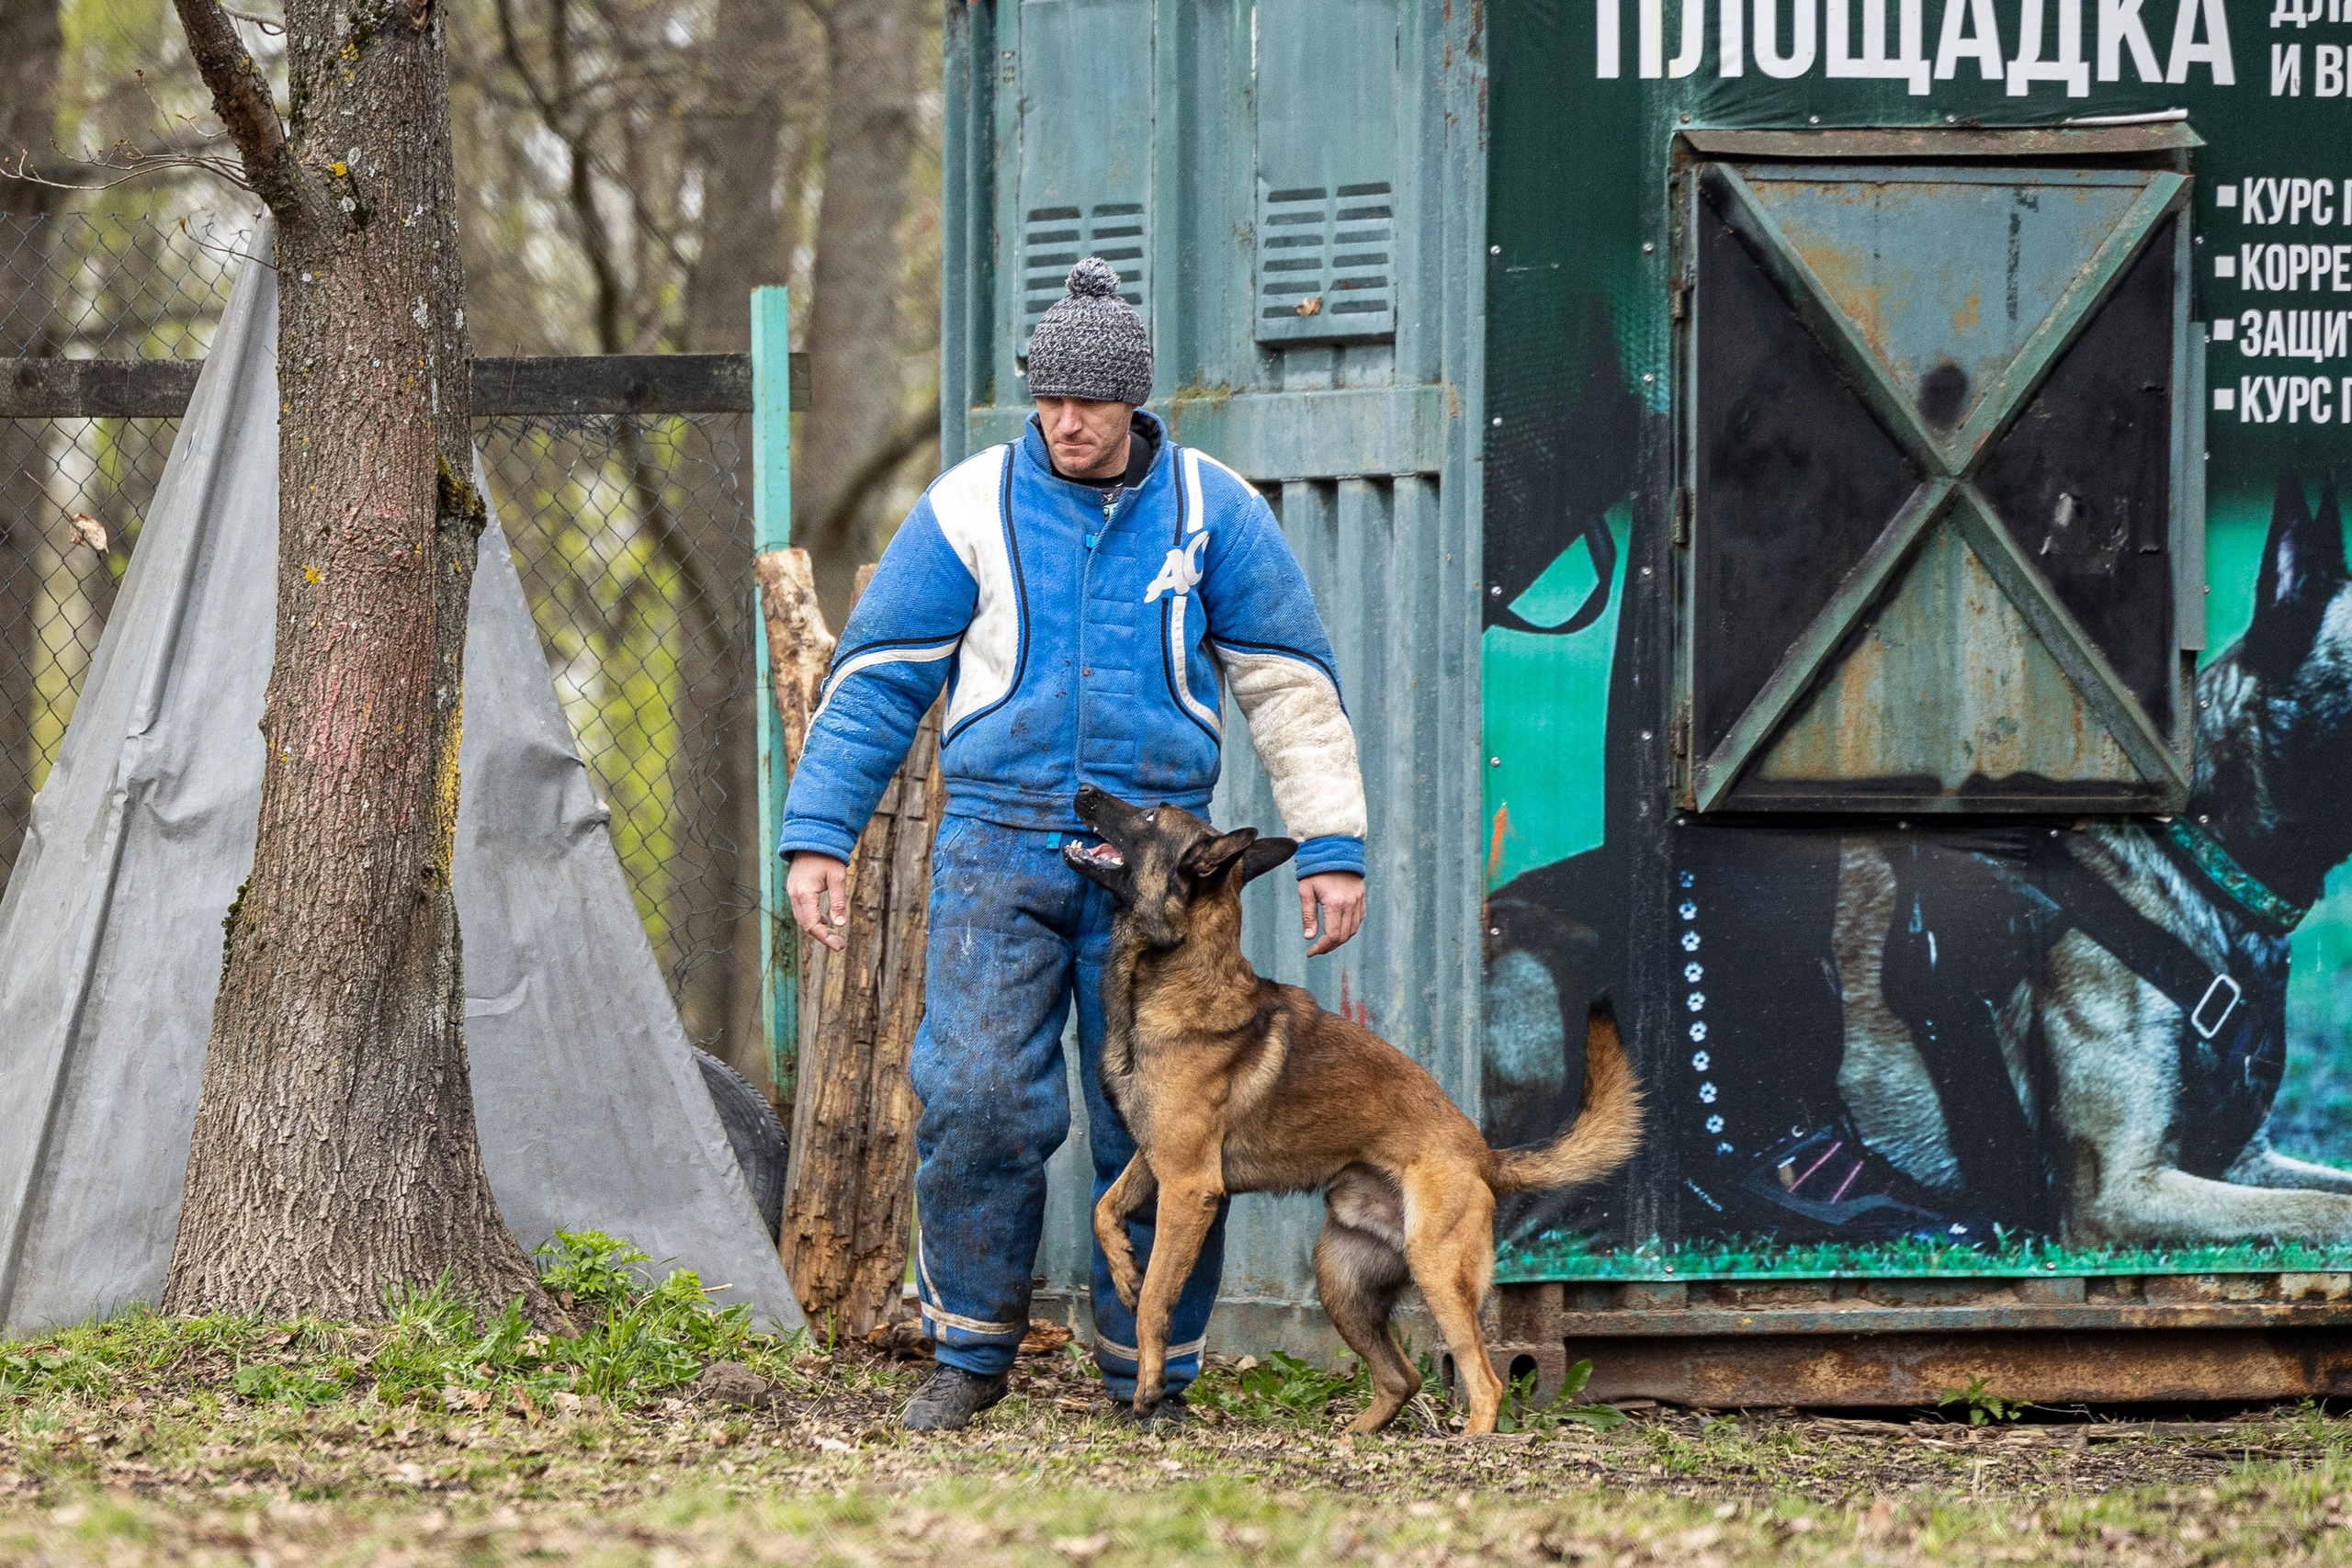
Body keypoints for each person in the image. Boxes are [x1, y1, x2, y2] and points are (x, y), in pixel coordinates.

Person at [780, 256, 1370, 1431]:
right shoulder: (968, 505)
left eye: (1089, 403)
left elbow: (1288, 685)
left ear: (1132, 400)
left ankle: (1149, 1373)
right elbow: (875, 680)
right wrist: (818, 834)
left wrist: (1330, 844)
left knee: (1165, 1121)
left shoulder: (1213, 509)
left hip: (1163, 871)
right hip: (995, 847)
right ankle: (968, 1353)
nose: (1065, 423)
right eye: (1047, 399)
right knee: (976, 1098)